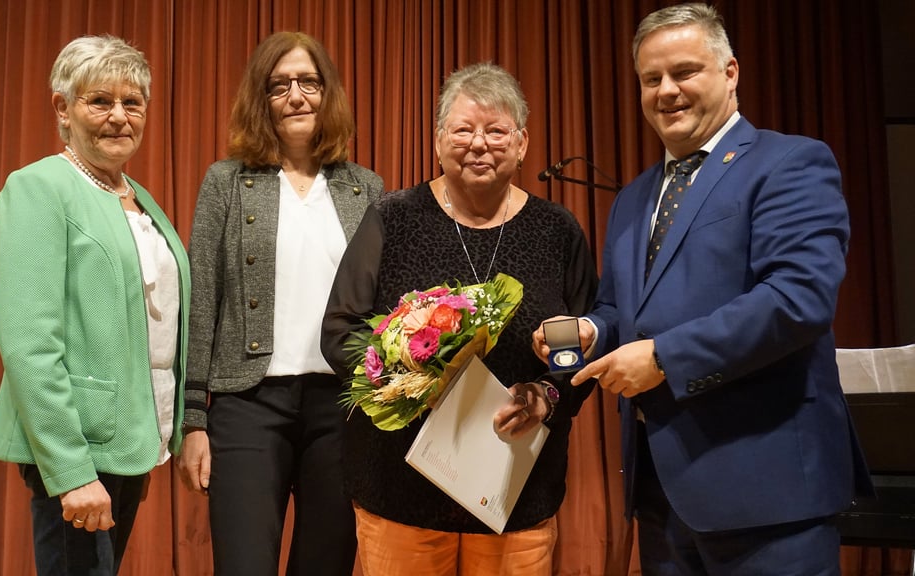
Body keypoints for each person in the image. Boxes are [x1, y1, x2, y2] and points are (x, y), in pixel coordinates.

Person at [532, 4, 873, 575]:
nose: (667, 91)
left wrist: (665, 358)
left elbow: (797, 299)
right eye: (650, 79)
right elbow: (623, 310)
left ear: (731, 72)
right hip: (662, 498)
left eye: (685, 71)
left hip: (769, 496)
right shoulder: (634, 198)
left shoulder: (790, 162)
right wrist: (594, 330)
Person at [321, 62, 598, 576]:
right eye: (463, 129)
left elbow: (579, 341)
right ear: (438, 140)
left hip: (515, 491)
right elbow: (340, 331)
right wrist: (406, 374)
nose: (479, 144)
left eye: (496, 131)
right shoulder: (394, 216)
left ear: (521, 144)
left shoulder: (555, 230)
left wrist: (548, 395)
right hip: (400, 488)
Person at [0, 35, 190, 575]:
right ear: (63, 108)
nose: (119, 116)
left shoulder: (138, 198)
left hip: (129, 438)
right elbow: (30, 343)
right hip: (76, 445)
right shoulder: (38, 188)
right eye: (100, 101)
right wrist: (71, 470)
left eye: (132, 102)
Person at [177, 31, 383, 576]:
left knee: (326, 565)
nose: (296, 95)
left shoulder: (366, 188)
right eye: (280, 85)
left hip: (342, 408)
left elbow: (385, 308)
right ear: (261, 99)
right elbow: (202, 302)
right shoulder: (226, 182)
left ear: (327, 93)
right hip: (247, 406)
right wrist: (192, 421)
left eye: (309, 82)